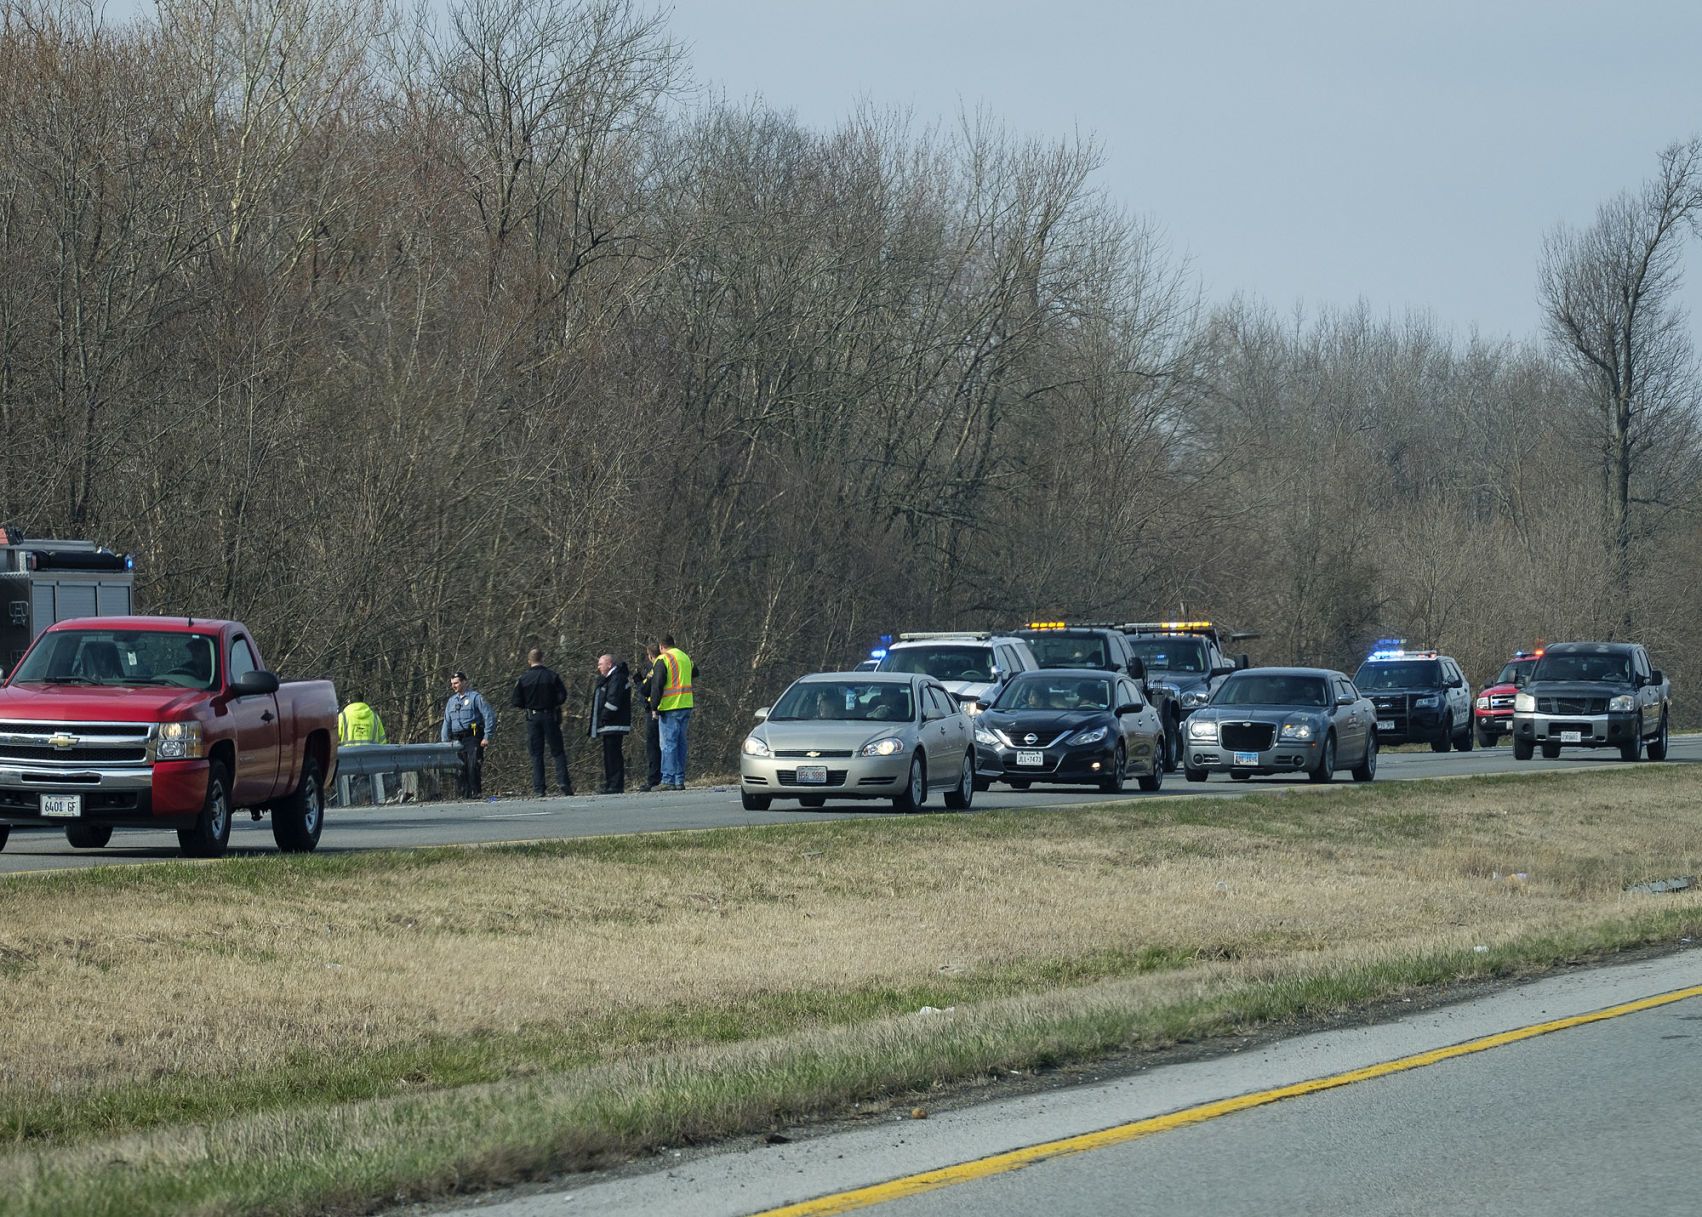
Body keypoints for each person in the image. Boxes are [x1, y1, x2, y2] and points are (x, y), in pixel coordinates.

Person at [511, 648, 573, 797]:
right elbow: (562, 695)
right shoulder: (552, 676)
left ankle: (539, 788)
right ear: (543, 659)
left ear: (529, 661)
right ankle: (563, 782)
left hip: (532, 718)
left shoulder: (524, 679)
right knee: (557, 751)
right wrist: (553, 703)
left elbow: (515, 701)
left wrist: (528, 704)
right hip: (550, 716)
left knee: (536, 754)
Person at [441, 671, 496, 799]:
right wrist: (444, 741)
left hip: (473, 736)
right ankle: (463, 794)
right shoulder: (451, 701)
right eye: (452, 684)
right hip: (456, 738)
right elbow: (446, 722)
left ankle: (475, 792)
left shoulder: (475, 697)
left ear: (464, 682)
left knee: (473, 765)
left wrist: (487, 736)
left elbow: (489, 716)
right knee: (460, 767)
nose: (454, 686)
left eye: (456, 683)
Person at [651, 634, 695, 791]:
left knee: (668, 744)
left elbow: (657, 685)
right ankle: (679, 779)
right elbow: (695, 672)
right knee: (681, 743)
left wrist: (654, 707)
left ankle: (668, 779)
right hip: (686, 705)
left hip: (670, 707)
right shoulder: (684, 657)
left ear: (661, 647)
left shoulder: (663, 659)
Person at [589, 653, 633, 793]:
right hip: (609, 724)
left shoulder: (617, 678)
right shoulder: (609, 679)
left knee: (613, 755)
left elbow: (613, 701)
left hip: (613, 723)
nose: (598, 667)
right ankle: (611, 784)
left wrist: (604, 717)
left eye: (600, 664)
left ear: (609, 664)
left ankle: (615, 785)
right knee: (609, 755)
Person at [338, 697, 389, 803]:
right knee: (369, 789)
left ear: (349, 702)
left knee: (351, 791)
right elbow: (383, 742)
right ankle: (369, 802)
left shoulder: (342, 717)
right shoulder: (374, 717)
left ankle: (351, 804)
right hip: (371, 760)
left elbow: (335, 740)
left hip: (348, 760)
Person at [637, 642, 664, 791]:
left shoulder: (654, 668)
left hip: (655, 711)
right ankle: (665, 776)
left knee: (653, 746)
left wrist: (638, 683)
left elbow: (645, 689)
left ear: (650, 656)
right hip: (668, 708)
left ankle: (654, 779)